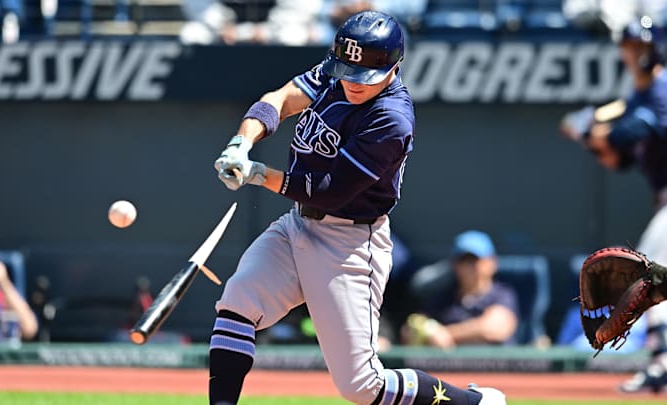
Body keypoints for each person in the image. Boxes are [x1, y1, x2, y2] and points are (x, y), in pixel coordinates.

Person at [209, 10, 506, 405]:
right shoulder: (338, 74)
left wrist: (259, 173)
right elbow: (278, 100)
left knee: (362, 386)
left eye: (363, 74)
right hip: (297, 225)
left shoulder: (392, 118)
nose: (351, 81)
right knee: (237, 301)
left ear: (394, 67)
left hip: (349, 243)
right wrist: (241, 144)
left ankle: (475, 403)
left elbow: (329, 192)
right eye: (346, 69)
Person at [560, 15, 667, 393]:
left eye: (638, 47)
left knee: (647, 269)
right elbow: (618, 157)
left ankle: (664, 364)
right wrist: (589, 138)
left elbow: (634, 131)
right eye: (628, 48)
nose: (632, 55)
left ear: (653, 48)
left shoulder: (664, 89)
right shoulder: (636, 97)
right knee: (665, 280)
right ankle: (666, 363)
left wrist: (589, 127)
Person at [401, 230, 519, 349]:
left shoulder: (502, 294)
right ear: (454, 264)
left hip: (494, 366)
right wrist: (426, 335)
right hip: (449, 366)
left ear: (491, 262)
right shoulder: (444, 299)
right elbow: (409, 330)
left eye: (474, 260)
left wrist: (444, 334)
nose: (469, 267)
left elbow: (494, 328)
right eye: (463, 260)